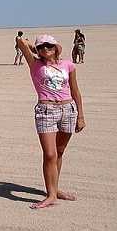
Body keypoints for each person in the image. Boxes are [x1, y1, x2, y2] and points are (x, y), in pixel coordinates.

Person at [16, 34, 86, 209]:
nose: (45, 49)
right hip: (46, 111)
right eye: (42, 47)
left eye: (49, 46)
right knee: (49, 154)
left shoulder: (68, 65)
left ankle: (55, 189)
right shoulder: (35, 64)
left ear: (56, 47)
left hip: (67, 110)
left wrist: (81, 116)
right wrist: (36, 49)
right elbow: (20, 42)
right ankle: (51, 195)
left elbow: (76, 91)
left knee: (59, 152)